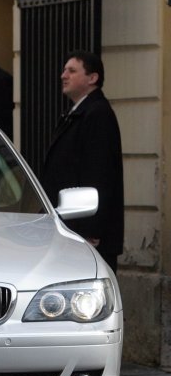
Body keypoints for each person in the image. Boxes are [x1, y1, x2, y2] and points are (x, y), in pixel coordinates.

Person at [40, 51, 123, 272]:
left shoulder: (98, 114)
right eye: (65, 69)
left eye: (72, 70)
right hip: (72, 226)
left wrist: (90, 228)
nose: (63, 75)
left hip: (85, 230)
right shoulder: (77, 112)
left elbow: (100, 173)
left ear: (92, 78)